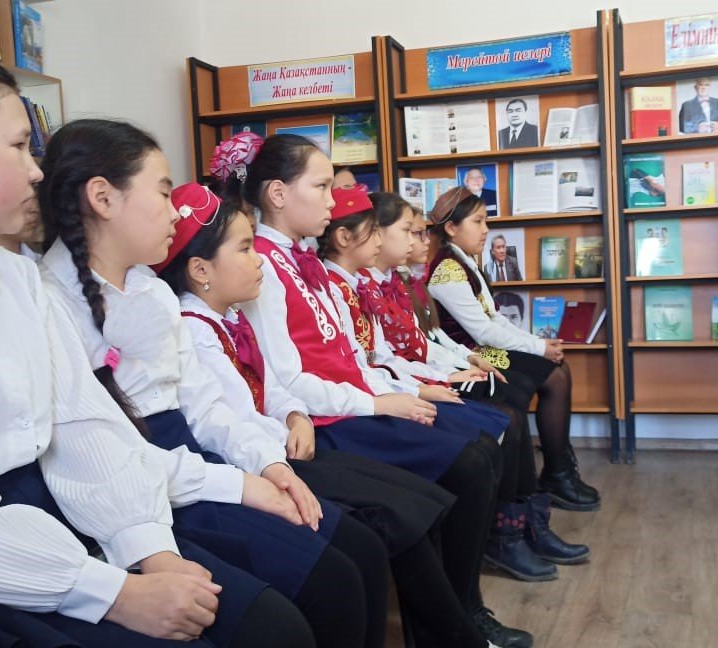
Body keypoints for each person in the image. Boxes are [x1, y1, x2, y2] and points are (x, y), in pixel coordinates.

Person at [0, 39, 305, 647]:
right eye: (18, 146)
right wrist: (112, 591)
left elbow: (83, 425)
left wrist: (148, 548)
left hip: (62, 510)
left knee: (268, 622)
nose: (35, 171)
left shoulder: (12, 272)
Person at [38, 119, 387, 648]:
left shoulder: (152, 292)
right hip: (150, 488)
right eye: (163, 192)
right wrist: (244, 481)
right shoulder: (50, 302)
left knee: (357, 551)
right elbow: (112, 456)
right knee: (313, 596)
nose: (174, 211)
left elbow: (206, 408)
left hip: (199, 459)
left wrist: (267, 465)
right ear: (102, 198)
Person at [158, 178, 507, 647]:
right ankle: (459, 625)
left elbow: (288, 381)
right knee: (426, 495)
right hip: (292, 441)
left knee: (458, 469)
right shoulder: (203, 323)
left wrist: (295, 414)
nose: (256, 258)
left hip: (307, 426)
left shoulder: (244, 309)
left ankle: (469, 605)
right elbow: (235, 411)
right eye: (244, 248)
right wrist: (300, 430)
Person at [227, 133, 534, 648]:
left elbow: (362, 355)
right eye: (321, 187)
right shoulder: (265, 265)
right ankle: (459, 615)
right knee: (469, 460)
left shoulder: (309, 263)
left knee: (489, 436)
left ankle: (471, 598)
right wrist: (386, 398)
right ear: (278, 194)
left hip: (359, 397)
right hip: (330, 417)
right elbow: (290, 378)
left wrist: (410, 388)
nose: (332, 201)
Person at [368, 191, 590, 582]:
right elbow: (472, 334)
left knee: (530, 388)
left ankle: (537, 504)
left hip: (452, 363)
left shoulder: (410, 278)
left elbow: (434, 336)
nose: (420, 241)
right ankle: (512, 527)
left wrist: (466, 361)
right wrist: (454, 370)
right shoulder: (441, 271)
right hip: (444, 369)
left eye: (421, 233)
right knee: (512, 409)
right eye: (411, 232)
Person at [428, 187, 601, 512]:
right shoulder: (447, 269)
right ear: (451, 228)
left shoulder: (465, 262)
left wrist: (538, 344)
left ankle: (559, 468)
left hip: (484, 348)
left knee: (558, 369)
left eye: (486, 221)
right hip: (472, 356)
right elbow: (482, 332)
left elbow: (495, 318)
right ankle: (556, 474)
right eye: (477, 221)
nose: (485, 230)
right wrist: (538, 347)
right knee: (554, 375)